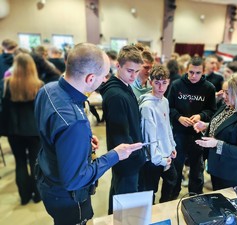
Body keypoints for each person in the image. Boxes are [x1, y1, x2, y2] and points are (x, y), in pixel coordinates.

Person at [34, 43, 143, 225]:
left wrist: (80, 142)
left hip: (47, 179)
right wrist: (114, 155)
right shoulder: (74, 122)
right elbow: (76, 180)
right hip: (68, 199)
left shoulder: (47, 89)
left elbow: (50, 134)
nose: (105, 80)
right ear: (91, 78)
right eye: (103, 76)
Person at [99, 45, 146, 214]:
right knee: (125, 207)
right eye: (129, 71)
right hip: (127, 160)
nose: (134, 76)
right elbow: (121, 136)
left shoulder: (123, 86)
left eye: (137, 71)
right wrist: (138, 155)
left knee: (118, 198)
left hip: (125, 159)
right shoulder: (116, 95)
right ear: (118, 66)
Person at [194, 73, 237, 190]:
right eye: (223, 91)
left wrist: (216, 144)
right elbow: (224, 128)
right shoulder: (227, 107)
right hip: (217, 166)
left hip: (231, 172)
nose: (224, 96)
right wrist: (206, 126)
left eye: (228, 93)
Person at [167, 57, 216, 198]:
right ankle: (172, 196)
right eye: (191, 72)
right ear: (186, 70)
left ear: (203, 72)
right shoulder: (176, 85)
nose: (193, 76)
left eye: (197, 73)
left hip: (197, 135)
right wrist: (178, 117)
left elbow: (212, 110)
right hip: (178, 133)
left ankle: (195, 196)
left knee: (197, 170)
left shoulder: (209, 88)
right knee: (176, 168)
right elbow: (168, 107)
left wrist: (201, 116)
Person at [3, 53, 44, 205]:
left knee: (20, 162)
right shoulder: (39, 85)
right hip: (34, 131)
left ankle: (24, 196)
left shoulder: (7, 83)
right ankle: (38, 194)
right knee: (35, 162)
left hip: (14, 130)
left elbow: (5, 109)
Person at [139, 64, 177, 203]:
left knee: (172, 181)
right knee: (150, 191)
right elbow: (149, 137)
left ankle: (163, 208)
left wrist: (172, 146)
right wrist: (159, 159)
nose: (161, 87)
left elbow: (167, 127)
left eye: (164, 83)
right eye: (157, 83)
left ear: (168, 83)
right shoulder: (147, 107)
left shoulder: (164, 101)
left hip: (167, 153)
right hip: (153, 159)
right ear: (150, 83)